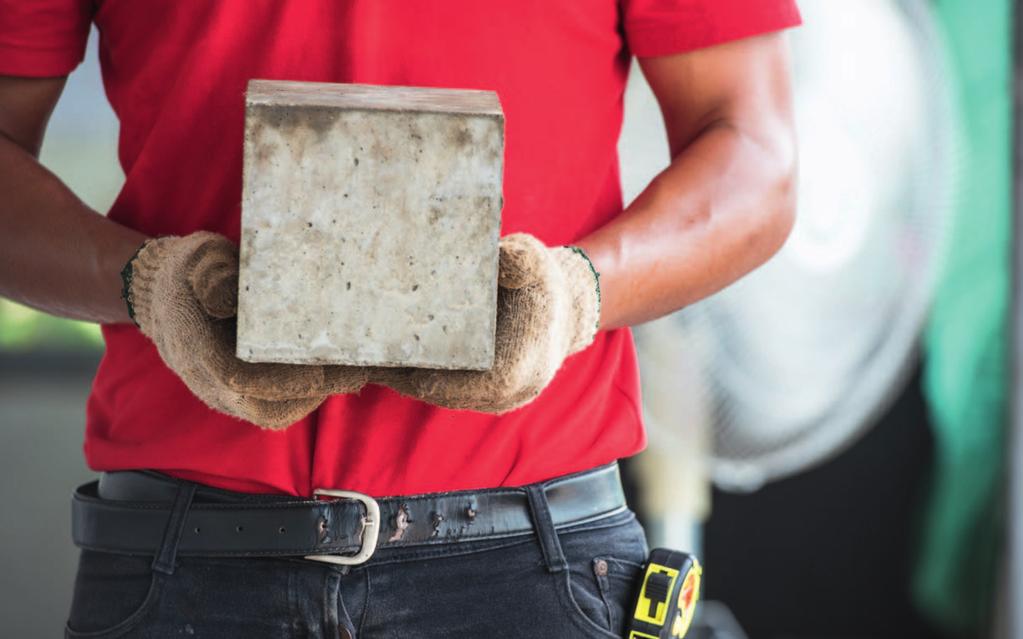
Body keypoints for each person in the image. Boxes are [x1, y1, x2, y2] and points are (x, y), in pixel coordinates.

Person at [0, 1, 800, 636]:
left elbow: (754, 153)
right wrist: (148, 284)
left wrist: (576, 294)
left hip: (532, 563)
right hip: (184, 559)